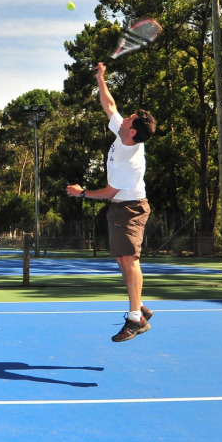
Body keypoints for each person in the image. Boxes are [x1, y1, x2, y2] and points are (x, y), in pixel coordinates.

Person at [67, 61, 157, 342]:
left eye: (129, 119)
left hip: (131, 208)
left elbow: (108, 193)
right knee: (121, 259)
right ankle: (139, 304)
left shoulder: (129, 163)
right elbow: (109, 105)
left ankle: (135, 319)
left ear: (133, 132)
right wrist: (100, 78)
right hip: (120, 207)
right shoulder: (123, 132)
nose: (124, 118)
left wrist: (81, 193)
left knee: (130, 259)